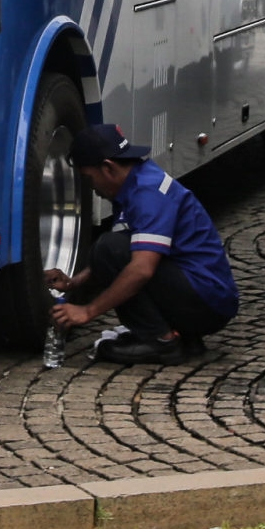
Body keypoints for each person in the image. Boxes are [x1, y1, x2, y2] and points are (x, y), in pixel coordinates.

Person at [44, 122, 239, 364]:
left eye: (88, 178)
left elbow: (141, 269)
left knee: (108, 248)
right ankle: (183, 339)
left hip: (207, 303)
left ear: (108, 168)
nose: (91, 189)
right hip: (203, 296)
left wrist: (87, 311)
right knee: (108, 250)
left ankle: (161, 342)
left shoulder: (148, 193)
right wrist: (74, 283)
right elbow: (125, 253)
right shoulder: (135, 182)